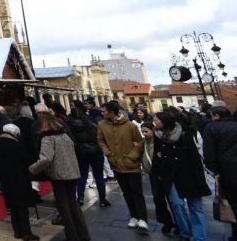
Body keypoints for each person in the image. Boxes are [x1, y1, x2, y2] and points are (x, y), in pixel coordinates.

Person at [30, 112, 91, 241]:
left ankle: (72, 236)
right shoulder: (64, 135)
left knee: (63, 206)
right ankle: (84, 235)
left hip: (59, 175)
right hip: (72, 172)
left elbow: (46, 159)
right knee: (73, 204)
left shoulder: (47, 138)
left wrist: (32, 169)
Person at [153, 110, 210, 241]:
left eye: (156, 120)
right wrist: (157, 173)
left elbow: (194, 158)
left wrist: (200, 179)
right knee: (177, 205)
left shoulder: (184, 134)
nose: (154, 123)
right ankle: (185, 233)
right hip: (170, 175)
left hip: (189, 174)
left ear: (165, 121)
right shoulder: (158, 135)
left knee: (195, 207)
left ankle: (200, 237)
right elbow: (157, 154)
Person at [97, 100, 147, 230]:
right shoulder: (102, 125)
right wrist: (107, 153)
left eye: (104, 111)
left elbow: (140, 142)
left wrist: (132, 156)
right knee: (126, 192)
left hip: (131, 164)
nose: (101, 113)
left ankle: (143, 218)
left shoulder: (130, 125)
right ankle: (134, 216)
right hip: (116, 163)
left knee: (136, 192)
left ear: (112, 112)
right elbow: (100, 140)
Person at [0, 123, 38, 240]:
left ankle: (17, 231)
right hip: (19, 177)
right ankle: (26, 232)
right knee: (22, 206)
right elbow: (28, 160)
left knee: (13, 206)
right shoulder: (15, 144)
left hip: (5, 178)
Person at [204, 106, 237, 241]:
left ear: (216, 115)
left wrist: (214, 171)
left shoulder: (211, 128)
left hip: (226, 171)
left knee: (232, 202)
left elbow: (209, 153)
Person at [68, 101, 109, 206]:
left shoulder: (70, 123)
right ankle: (103, 200)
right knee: (99, 176)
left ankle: (80, 198)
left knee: (82, 176)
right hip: (95, 150)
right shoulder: (90, 120)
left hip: (80, 152)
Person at [139, 122, 176, 235]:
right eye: (143, 131)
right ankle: (167, 223)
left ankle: (178, 222)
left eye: (146, 131)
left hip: (164, 175)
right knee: (158, 200)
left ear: (153, 130)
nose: (144, 134)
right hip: (152, 175)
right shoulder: (143, 143)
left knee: (172, 200)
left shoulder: (159, 141)